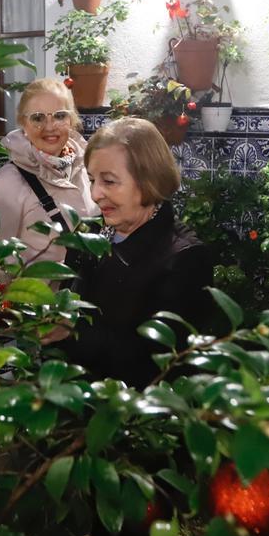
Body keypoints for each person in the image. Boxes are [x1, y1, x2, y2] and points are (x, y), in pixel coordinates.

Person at [56, 117, 213, 389]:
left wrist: (73, 333)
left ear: (148, 180)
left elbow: (160, 365)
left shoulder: (185, 258)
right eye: (92, 180)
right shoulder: (88, 234)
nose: (95, 194)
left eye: (109, 181)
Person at [0, 78, 97, 284]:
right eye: (38, 118)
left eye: (60, 116)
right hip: (40, 312)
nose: (50, 126)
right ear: (23, 123)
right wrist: (36, 279)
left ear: (71, 120)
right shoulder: (8, 184)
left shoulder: (85, 168)